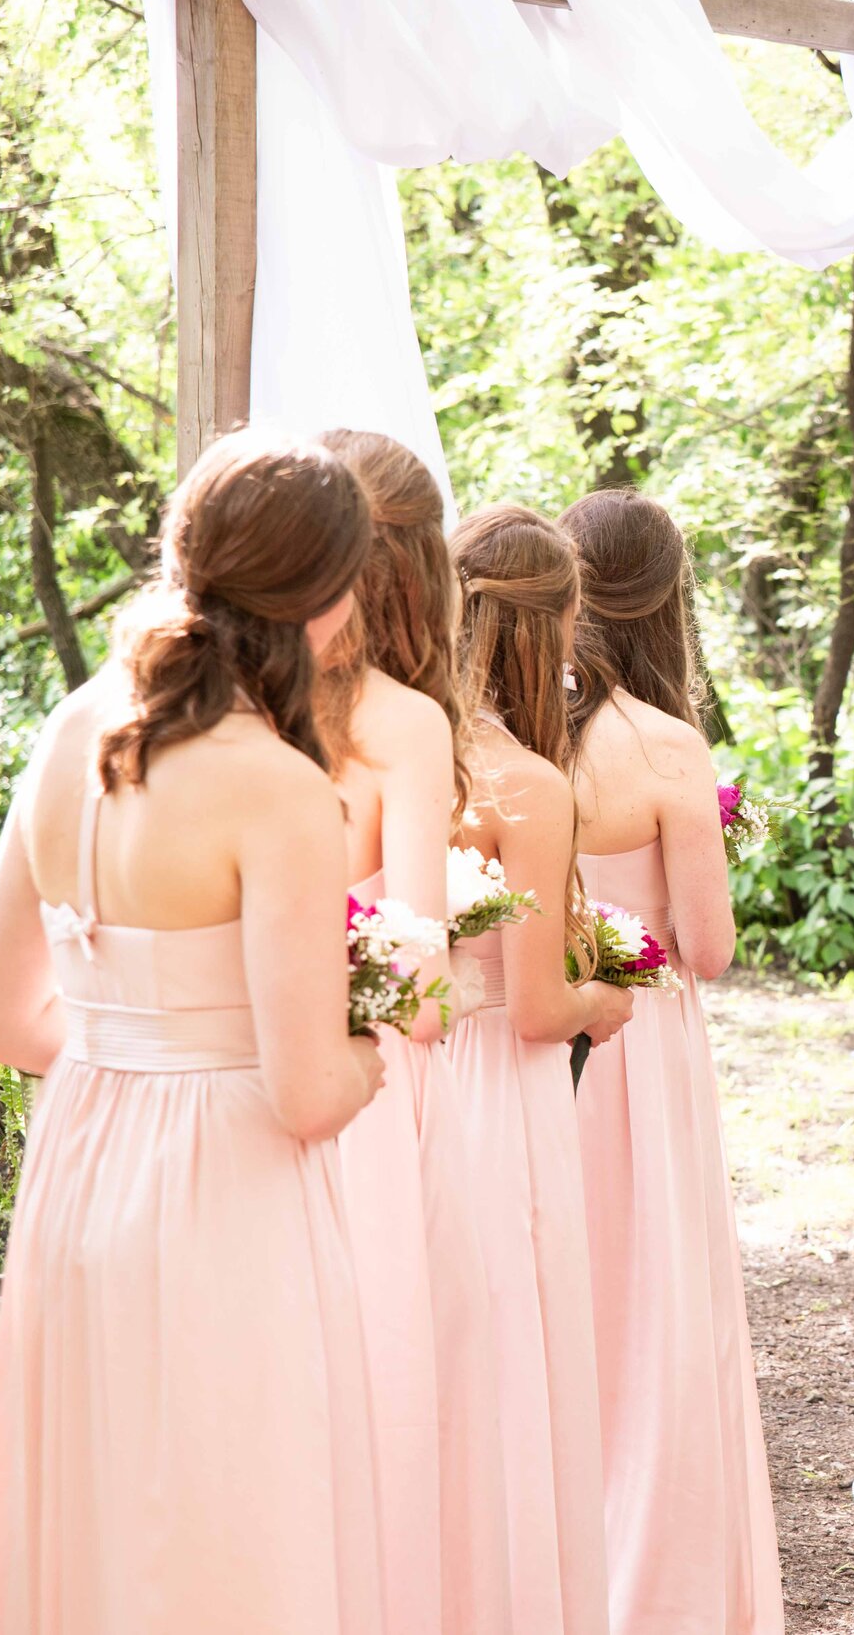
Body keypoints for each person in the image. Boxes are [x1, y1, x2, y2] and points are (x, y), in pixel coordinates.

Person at [0, 431, 386, 1634]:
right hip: (222, 1192)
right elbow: (308, 1095)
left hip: (81, 1158)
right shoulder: (276, 784)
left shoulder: (74, 728)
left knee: (98, 1510)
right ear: (325, 599)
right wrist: (375, 1048)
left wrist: (140, 1053)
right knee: (229, 1517)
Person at [561, 491, 784, 1630]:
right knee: (647, 1303)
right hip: (639, 1054)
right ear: (668, 599)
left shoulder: (496, 727)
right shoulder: (663, 744)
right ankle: (650, 1573)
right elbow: (708, 944)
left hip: (529, 1044)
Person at [317, 429, 512, 1635]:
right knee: (386, 1376)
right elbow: (422, 995)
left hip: (235, 1063)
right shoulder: (401, 723)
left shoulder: (212, 701)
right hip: (369, 1093)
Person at [450, 505, 634, 1634]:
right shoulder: (525, 782)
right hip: (498, 1096)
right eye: (569, 622)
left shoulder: (390, 750)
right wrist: (603, 1002)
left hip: (406, 1079)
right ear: (540, 628)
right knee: (510, 1351)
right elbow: (534, 1010)